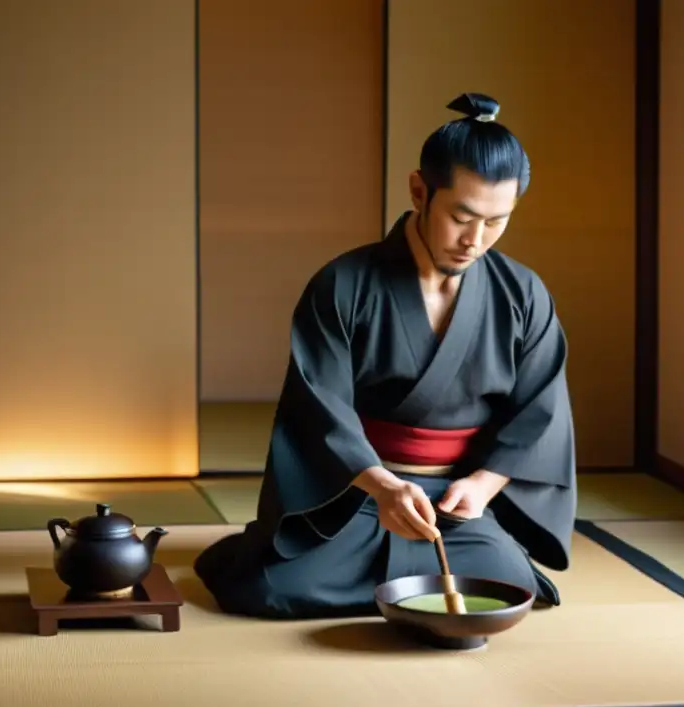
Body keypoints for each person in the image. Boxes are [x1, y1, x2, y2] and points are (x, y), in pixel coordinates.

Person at [194, 93, 577, 620]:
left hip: (454, 504)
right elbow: (317, 405)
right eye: (460, 216)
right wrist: (384, 487)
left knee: (512, 585)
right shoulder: (344, 285)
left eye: (496, 221)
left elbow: (541, 411)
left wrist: (483, 485)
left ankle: (403, 580)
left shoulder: (523, 294)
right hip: (355, 493)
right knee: (265, 590)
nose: (475, 240)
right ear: (420, 191)